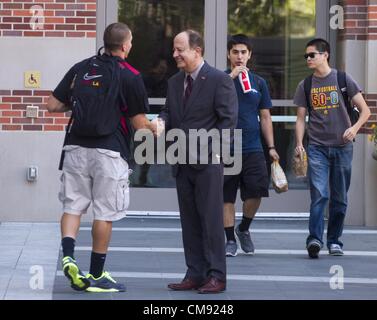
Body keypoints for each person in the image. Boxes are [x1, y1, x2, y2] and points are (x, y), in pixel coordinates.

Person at [47, 22, 156, 292]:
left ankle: (69, 257)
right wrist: (156, 126)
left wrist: (84, 101)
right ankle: (96, 275)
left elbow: (52, 105)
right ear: (124, 45)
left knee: (73, 206)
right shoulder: (130, 75)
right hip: (109, 150)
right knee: (104, 213)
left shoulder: (81, 67)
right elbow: (139, 123)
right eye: (130, 42)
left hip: (75, 148)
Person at [159, 30, 237, 293]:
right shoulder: (173, 82)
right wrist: (160, 122)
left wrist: (216, 153)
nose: (175, 55)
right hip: (182, 161)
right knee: (189, 221)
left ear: (197, 51)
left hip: (208, 163)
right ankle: (195, 273)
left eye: (180, 49)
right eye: (174, 49)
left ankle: (217, 276)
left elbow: (228, 121)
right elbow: (169, 111)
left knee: (211, 221)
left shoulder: (219, 80)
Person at [294, 38, 370, 259]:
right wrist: (299, 144)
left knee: (339, 198)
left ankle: (335, 241)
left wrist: (354, 129)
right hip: (317, 146)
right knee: (319, 194)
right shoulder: (305, 85)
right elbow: (300, 119)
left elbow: (365, 111)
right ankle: (315, 240)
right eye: (306, 56)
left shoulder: (343, 79)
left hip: (343, 147)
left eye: (312, 55)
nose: (308, 59)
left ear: (325, 54)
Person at [223, 34, 279, 257]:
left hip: (253, 146)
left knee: (256, 192)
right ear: (229, 54)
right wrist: (231, 77)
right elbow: (210, 102)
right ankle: (229, 240)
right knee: (225, 196)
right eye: (235, 52)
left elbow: (265, 116)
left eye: (243, 52)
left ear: (250, 55)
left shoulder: (259, 82)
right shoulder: (219, 78)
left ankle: (243, 228)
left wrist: (272, 146)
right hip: (226, 146)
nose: (239, 56)